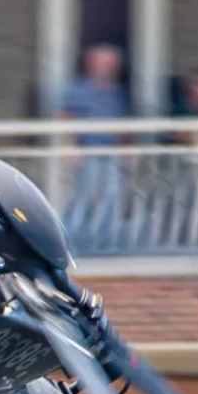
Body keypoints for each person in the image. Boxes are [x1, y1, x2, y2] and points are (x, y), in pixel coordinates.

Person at [59, 44, 131, 248]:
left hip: (111, 155)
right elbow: (66, 118)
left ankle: (106, 245)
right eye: (103, 63)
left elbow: (122, 125)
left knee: (111, 199)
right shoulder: (79, 90)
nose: (108, 68)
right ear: (90, 64)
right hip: (87, 153)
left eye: (111, 64)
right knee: (84, 200)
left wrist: (125, 151)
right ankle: (70, 243)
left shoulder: (117, 92)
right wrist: (71, 147)